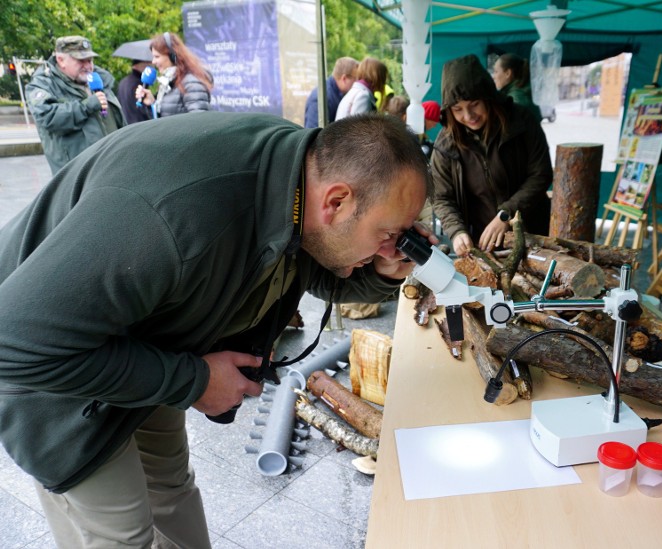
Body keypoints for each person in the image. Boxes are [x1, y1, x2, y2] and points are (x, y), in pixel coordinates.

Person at [0, 112, 434, 548]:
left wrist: (385, 271)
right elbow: (15, 342)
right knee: (123, 536)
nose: (392, 246)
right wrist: (195, 381)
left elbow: (317, 262)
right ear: (336, 201)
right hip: (51, 373)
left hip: (149, 337)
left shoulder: (301, 175)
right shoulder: (175, 214)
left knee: (171, 492)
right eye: (387, 233)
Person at [431, 54, 552, 257]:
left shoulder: (521, 122)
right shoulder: (445, 144)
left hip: (535, 236)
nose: (468, 116)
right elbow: (441, 197)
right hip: (486, 243)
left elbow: (540, 175)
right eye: (458, 109)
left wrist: (506, 214)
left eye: (474, 104)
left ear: (488, 97)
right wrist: (457, 231)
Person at [25, 35, 125, 174]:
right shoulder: (43, 84)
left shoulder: (100, 80)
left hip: (114, 165)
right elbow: (48, 117)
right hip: (78, 175)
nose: (88, 66)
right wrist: (87, 106)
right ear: (61, 60)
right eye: (81, 61)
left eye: (89, 60)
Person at [135, 32, 213, 117]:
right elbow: (167, 119)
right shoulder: (169, 83)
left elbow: (199, 121)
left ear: (173, 56)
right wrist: (152, 104)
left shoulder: (191, 83)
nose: (153, 62)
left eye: (157, 57)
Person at [303, 56, 358, 128]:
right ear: (344, 78)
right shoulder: (321, 98)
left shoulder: (336, 94)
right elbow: (313, 131)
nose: (358, 82)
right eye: (356, 79)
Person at [492, 52, 542, 121]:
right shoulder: (521, 91)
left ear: (508, 73)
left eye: (496, 71)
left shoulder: (516, 99)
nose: (493, 77)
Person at [118, 59, 154, 124]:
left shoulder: (123, 82)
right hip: (139, 126)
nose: (152, 65)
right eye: (149, 62)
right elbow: (143, 110)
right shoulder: (140, 85)